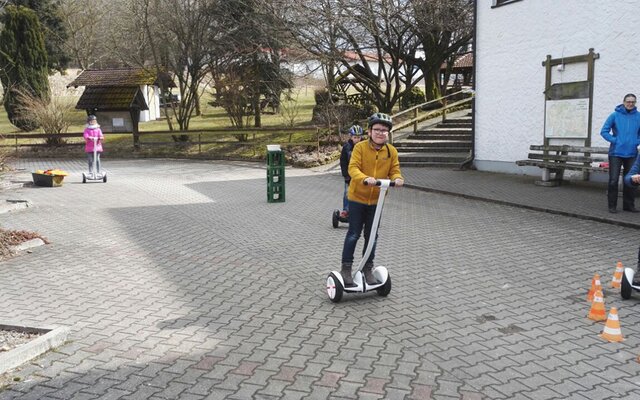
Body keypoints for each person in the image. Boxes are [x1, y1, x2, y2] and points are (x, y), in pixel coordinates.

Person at [340, 112, 404, 287]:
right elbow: (353, 168)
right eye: (377, 129)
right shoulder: (360, 148)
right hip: (357, 198)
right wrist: (364, 178)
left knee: (372, 235)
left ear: (388, 133)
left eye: (384, 130)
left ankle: (367, 268)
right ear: (369, 131)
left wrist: (398, 178)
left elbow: (395, 170)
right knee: (354, 233)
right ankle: (346, 269)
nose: (380, 133)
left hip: (377, 200)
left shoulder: (391, 151)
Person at [600, 93, 640, 213]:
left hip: (632, 153)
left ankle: (628, 205)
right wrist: (615, 140)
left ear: (635, 103)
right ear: (623, 102)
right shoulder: (614, 115)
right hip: (616, 153)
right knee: (613, 180)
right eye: (628, 101)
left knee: (631, 180)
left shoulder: (638, 116)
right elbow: (604, 131)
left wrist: (636, 142)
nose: (630, 104)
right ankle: (612, 206)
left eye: (633, 102)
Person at [339, 125, 364, 218]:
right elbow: (343, 162)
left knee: (362, 193)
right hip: (350, 175)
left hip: (362, 175)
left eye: (359, 137)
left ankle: (362, 211)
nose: (357, 139)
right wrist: (346, 175)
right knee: (347, 193)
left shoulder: (365, 147)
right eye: (355, 137)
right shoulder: (347, 147)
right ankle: (346, 210)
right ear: (351, 137)